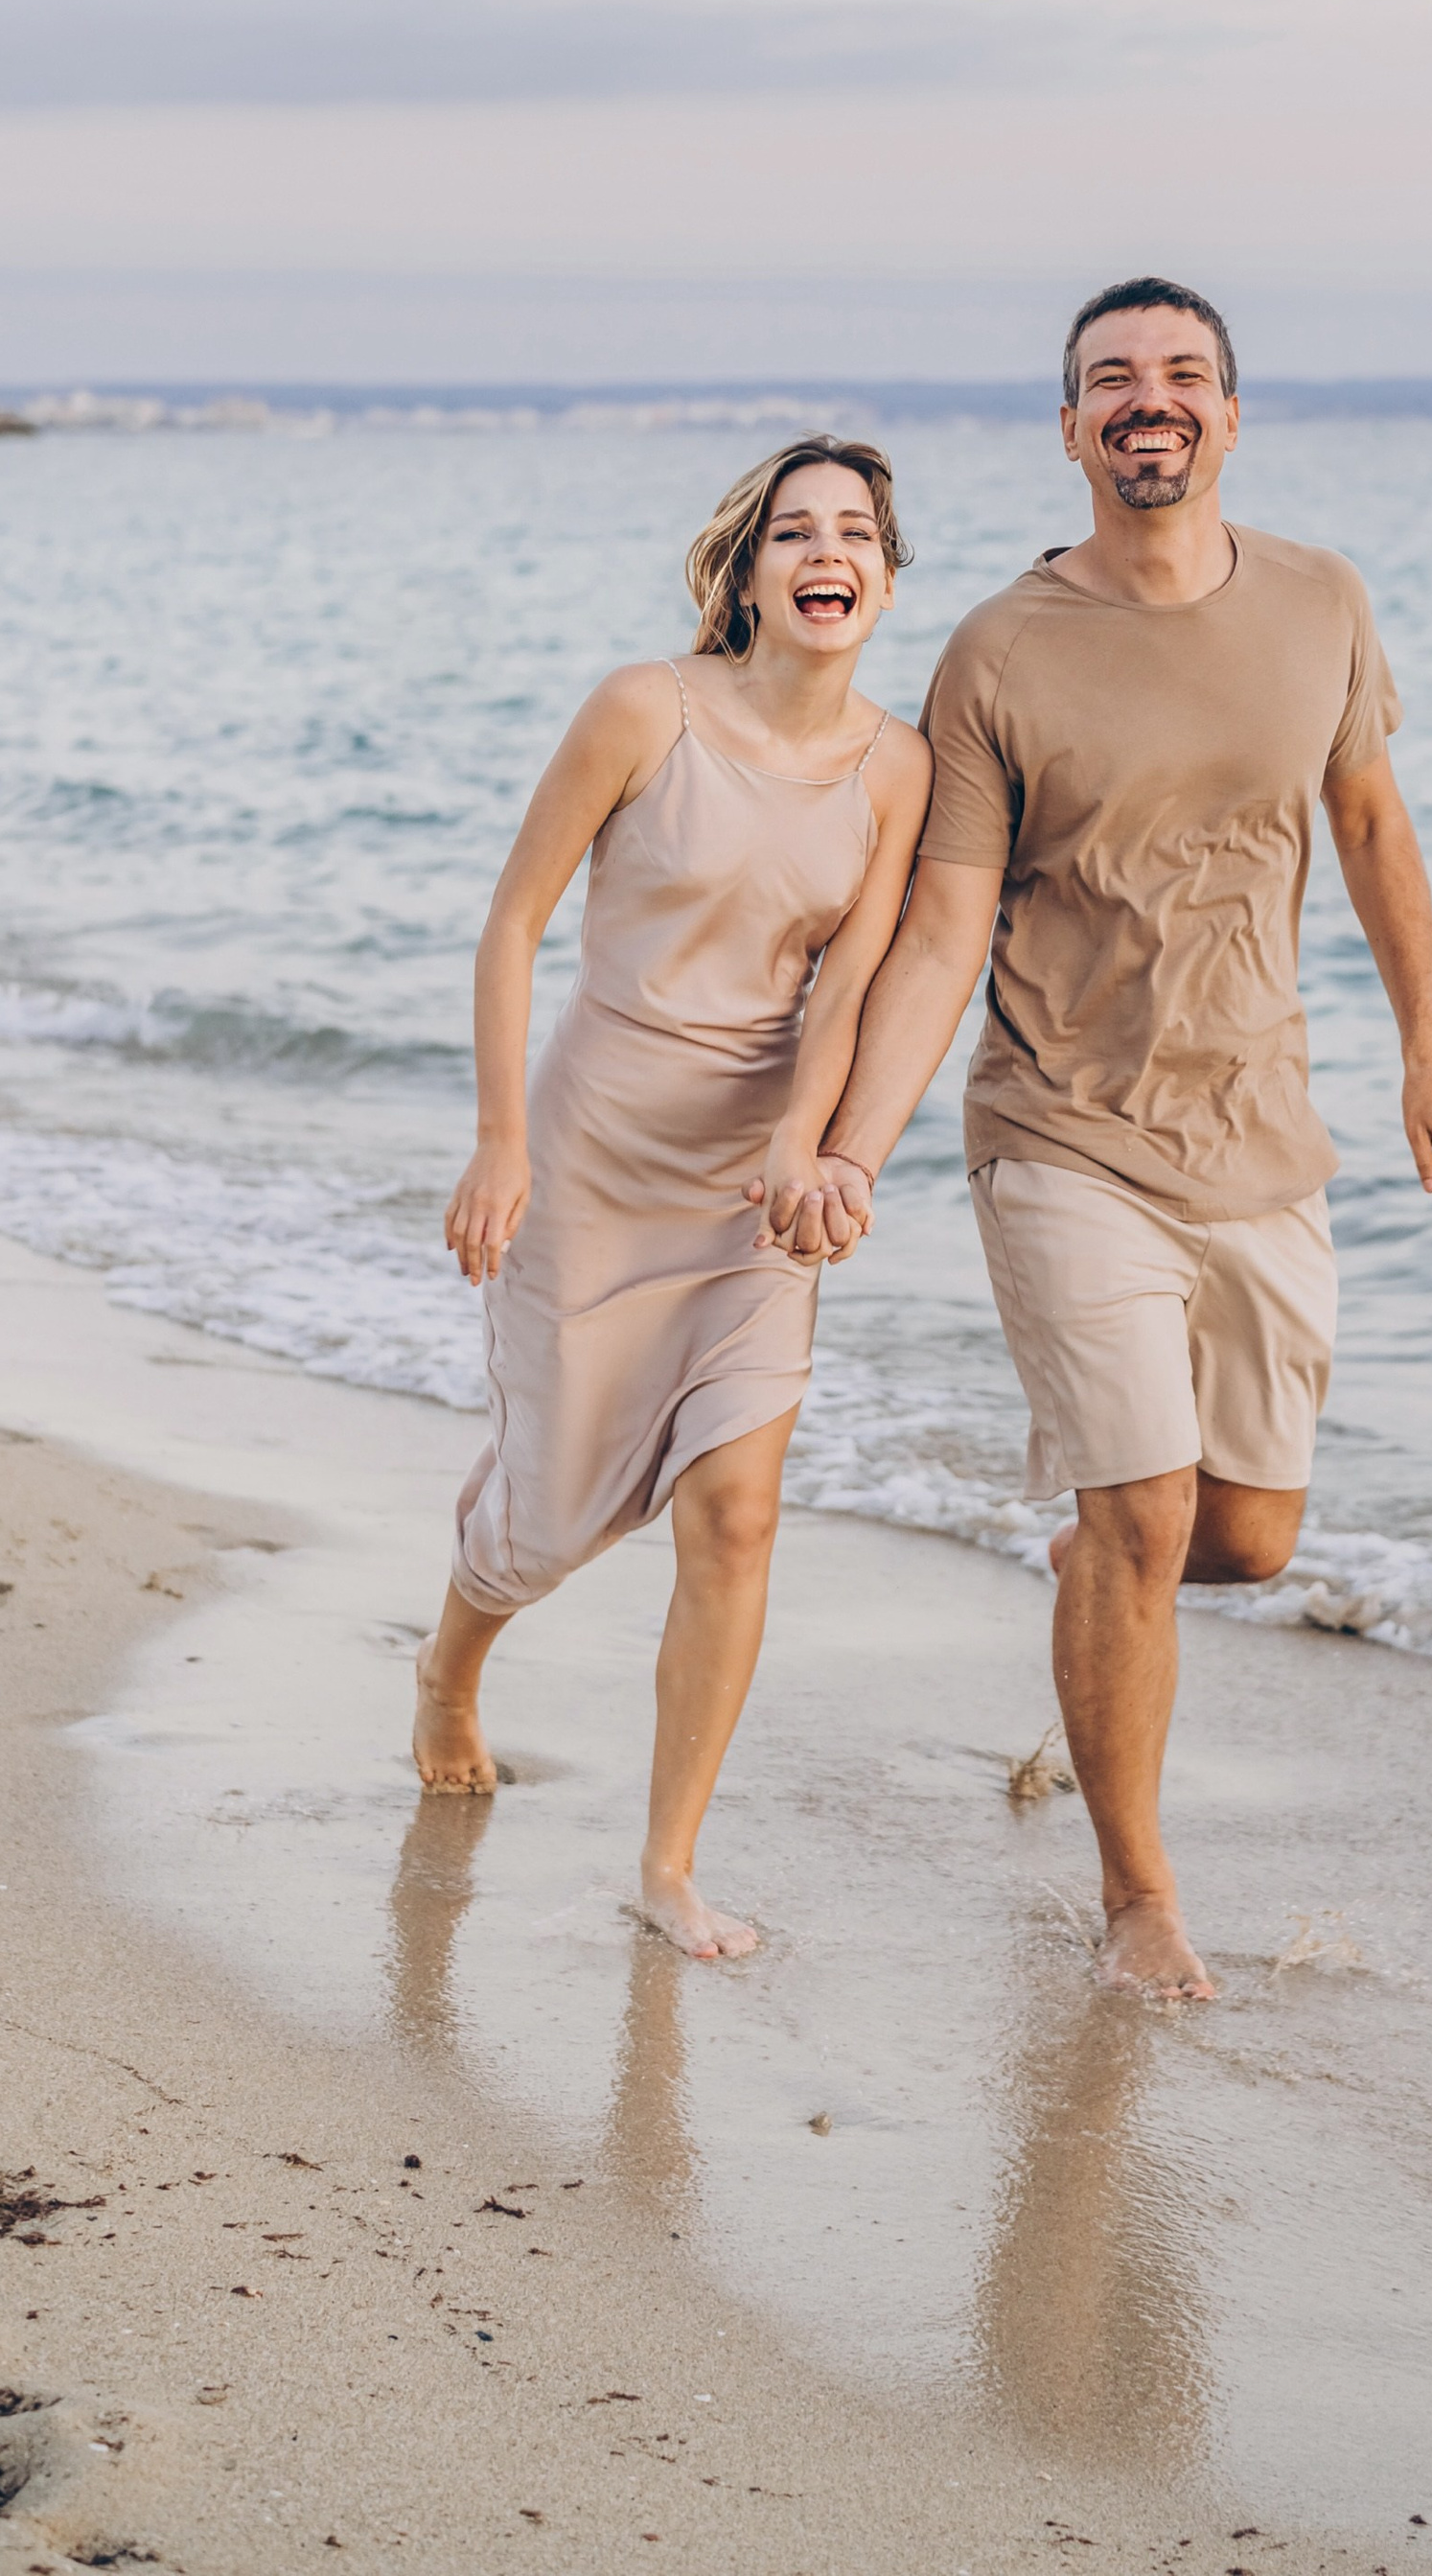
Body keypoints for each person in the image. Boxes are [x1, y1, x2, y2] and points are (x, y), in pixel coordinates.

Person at [767, 281, 1432, 2001]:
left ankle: (1094, 1565)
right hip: (1058, 1131)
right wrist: (854, 1146)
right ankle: (1137, 1898)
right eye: (1111, 381)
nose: (1146, 401)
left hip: (1264, 1130)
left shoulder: (1322, 601)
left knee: (1242, 1543)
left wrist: (1431, 1062)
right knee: (1153, 1514)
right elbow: (943, 929)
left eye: (1180, 376)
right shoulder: (1000, 654)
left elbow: (1372, 821)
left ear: (1231, 416)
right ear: (1072, 428)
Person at [416, 442, 931, 1961]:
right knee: (550, 1516)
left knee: (738, 1510)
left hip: (749, 1184)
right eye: (795, 531)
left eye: (855, 533)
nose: (825, 554)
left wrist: (804, 1140)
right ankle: (455, 1656)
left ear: (888, 577)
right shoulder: (648, 709)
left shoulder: (898, 769)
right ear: (750, 568)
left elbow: (848, 986)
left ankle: (668, 1863)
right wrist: (502, 1139)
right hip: (589, 1148)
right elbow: (513, 924)